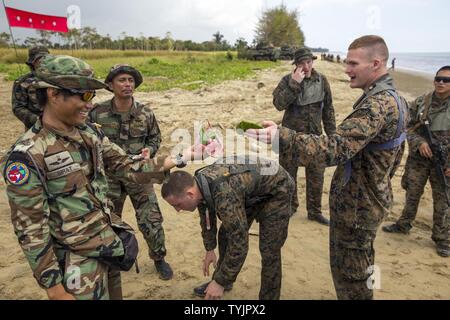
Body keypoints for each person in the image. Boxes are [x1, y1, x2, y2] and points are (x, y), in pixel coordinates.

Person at [1, 54, 202, 300]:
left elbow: (127, 165)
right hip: (77, 262)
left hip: (108, 247)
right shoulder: (28, 155)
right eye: (83, 95)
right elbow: (31, 228)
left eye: (92, 96)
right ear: (53, 94)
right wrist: (54, 288)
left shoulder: (88, 134)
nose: (89, 104)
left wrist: (184, 156)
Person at [246, 35, 409, 300]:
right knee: (359, 267)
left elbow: (334, 146)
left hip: (356, 207)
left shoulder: (375, 105)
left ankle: (313, 210)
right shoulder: (396, 99)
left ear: (376, 64)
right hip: (365, 198)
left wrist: (281, 136)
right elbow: (395, 149)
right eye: (346, 62)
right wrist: (380, 181)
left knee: (352, 277)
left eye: (353, 63)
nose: (346, 69)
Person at [161, 156, 295, 300]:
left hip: (277, 189)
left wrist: (220, 281)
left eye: (178, 204)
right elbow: (207, 217)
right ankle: (225, 282)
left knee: (269, 250)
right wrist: (210, 248)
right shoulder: (199, 184)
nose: (177, 210)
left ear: (190, 194)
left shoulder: (224, 194)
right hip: (250, 191)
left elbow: (240, 243)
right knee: (225, 233)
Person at [89, 64, 173, 280]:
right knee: (108, 220)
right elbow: (88, 140)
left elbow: (155, 138)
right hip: (110, 178)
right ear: (110, 85)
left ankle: (159, 258)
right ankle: (111, 259)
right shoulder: (97, 113)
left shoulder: (145, 113)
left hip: (139, 174)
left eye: (131, 80)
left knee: (151, 219)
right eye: (122, 80)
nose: (127, 84)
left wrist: (150, 150)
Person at [382, 66, 450, 258]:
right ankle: (404, 224)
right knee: (412, 192)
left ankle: (442, 238)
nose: (441, 82)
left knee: (443, 198)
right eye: (438, 78)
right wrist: (419, 142)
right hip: (419, 159)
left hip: (445, 162)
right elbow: (408, 126)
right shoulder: (422, 102)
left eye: (446, 80)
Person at [272, 47, 336, 226]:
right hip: (290, 139)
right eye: (302, 63)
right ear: (296, 65)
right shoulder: (287, 80)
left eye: (309, 62)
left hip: (315, 139)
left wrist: (332, 136)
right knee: (288, 177)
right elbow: (278, 104)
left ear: (313, 62)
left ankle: (314, 212)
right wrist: (294, 84)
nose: (306, 66)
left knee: (317, 176)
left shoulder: (322, 80)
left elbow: (329, 109)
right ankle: (290, 207)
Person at [12, 46, 49, 130]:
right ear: (32, 62)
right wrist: (38, 120)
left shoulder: (57, 79)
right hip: (35, 128)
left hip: (59, 127)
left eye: (46, 59)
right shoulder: (22, 82)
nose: (42, 62)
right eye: (39, 59)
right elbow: (18, 108)